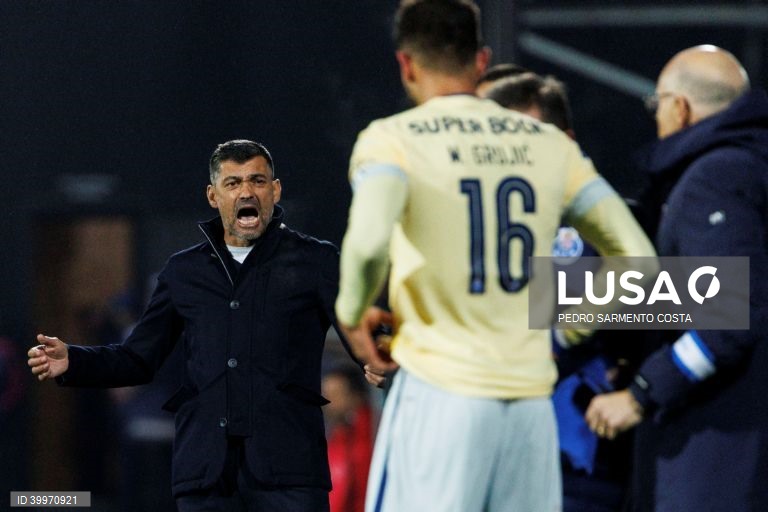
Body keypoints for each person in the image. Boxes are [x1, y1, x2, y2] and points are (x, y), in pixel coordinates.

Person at [334, 1, 655, 511]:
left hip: (442, 394)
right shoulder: (552, 149)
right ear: (480, 62)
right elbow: (641, 260)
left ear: (407, 65)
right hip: (532, 412)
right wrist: (569, 328)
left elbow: (368, 243)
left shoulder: (393, 139)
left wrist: (352, 315)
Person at [27, 139, 348, 512]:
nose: (246, 191)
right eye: (233, 183)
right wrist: (75, 361)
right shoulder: (183, 272)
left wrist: (375, 358)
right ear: (213, 196)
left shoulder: (315, 261)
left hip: (290, 472)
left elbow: (354, 328)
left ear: (274, 190)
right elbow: (139, 357)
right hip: (207, 474)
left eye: (258, 180)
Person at [585, 45, 768, 511]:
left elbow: (729, 312)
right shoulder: (746, 167)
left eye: (657, 103)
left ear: (680, 108)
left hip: (718, 449)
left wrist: (643, 393)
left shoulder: (714, 176)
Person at [485, 69, 640, 512]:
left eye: (528, 139)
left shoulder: (612, 225)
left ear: (566, 143)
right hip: (495, 457)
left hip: (579, 468)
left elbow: (726, 302)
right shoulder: (487, 229)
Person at [322, 365, 375, 512]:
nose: (328, 403)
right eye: (326, 395)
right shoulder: (338, 436)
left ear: (355, 396)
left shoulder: (373, 433)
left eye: (335, 395)